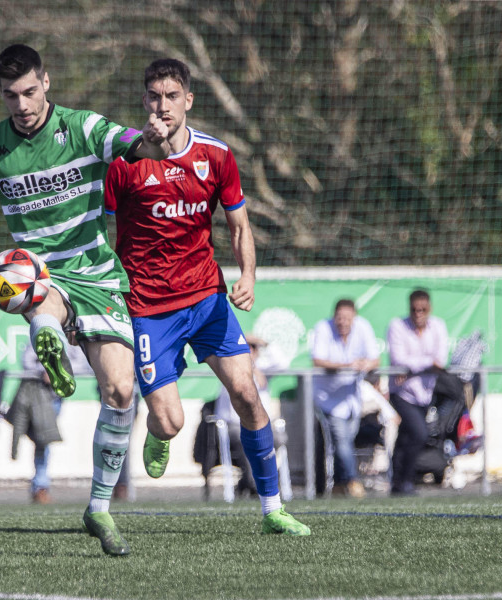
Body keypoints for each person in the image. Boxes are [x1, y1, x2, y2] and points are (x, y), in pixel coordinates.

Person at [0, 44, 170, 556]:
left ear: (47, 83)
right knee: (38, 297)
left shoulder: (81, 128)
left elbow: (138, 147)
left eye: (30, 91)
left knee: (122, 392)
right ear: (1, 95)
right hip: (39, 272)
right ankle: (47, 336)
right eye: (10, 95)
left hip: (98, 274)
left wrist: (154, 139)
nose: (21, 104)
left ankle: (99, 509)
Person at [104, 58, 310, 536]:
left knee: (247, 393)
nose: (162, 106)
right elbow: (99, 231)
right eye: (154, 97)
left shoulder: (216, 157)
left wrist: (249, 276)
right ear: (144, 102)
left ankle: (272, 509)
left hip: (206, 297)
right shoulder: (124, 164)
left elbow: (239, 226)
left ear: (188, 100)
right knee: (172, 421)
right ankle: (158, 433)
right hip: (149, 307)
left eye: (171, 97)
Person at [310, 299, 380, 498]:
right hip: (328, 398)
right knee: (341, 441)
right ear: (334, 316)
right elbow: (318, 359)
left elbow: (375, 358)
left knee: (347, 440)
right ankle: (353, 481)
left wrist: (366, 364)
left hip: (351, 398)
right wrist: (348, 365)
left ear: (354, 317)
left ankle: (339, 485)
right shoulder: (323, 328)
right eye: (339, 318)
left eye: (347, 318)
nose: (343, 322)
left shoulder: (363, 328)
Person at [386, 289, 449, 495]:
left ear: (429, 309)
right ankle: (406, 479)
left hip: (425, 393)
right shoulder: (398, 326)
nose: (418, 313)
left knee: (406, 437)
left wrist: (412, 368)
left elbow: (440, 360)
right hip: (402, 392)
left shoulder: (438, 326)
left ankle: (397, 483)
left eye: (422, 309)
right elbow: (398, 360)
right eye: (414, 310)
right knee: (419, 432)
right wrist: (427, 363)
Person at [15, 340, 91, 504]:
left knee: (45, 441)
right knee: (42, 441)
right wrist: (44, 370)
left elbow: (82, 364)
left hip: (57, 398)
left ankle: (40, 486)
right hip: (39, 395)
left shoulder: (71, 339)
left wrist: (58, 371)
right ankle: (40, 487)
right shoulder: (42, 333)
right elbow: (27, 360)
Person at [212, 335, 283, 497]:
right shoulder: (229, 372)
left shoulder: (262, 371)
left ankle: (253, 481)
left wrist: (264, 343)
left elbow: (282, 362)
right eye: (246, 346)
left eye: (253, 347)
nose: (250, 351)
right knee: (248, 437)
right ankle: (258, 484)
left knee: (277, 438)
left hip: (262, 423)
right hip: (235, 424)